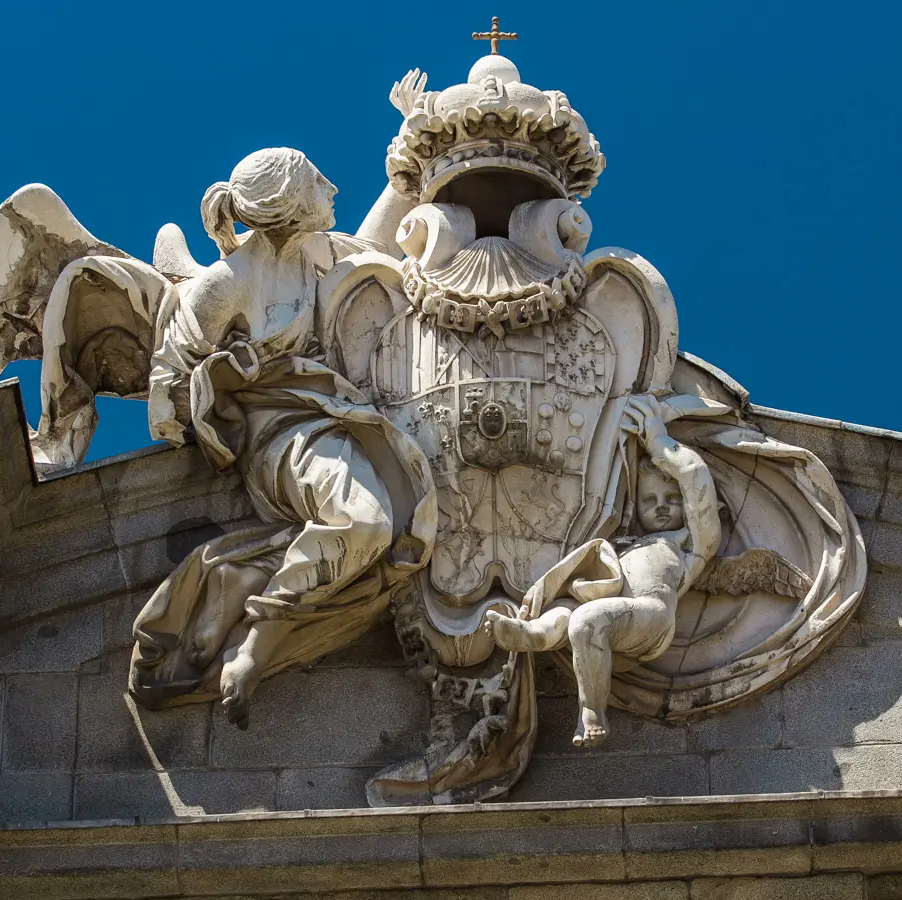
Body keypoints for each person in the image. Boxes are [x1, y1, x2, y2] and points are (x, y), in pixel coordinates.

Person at [131, 146, 436, 726]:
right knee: (367, 522)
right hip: (279, 433)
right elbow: (171, 373)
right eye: (320, 182)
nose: (333, 189)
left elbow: (373, 254)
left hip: (333, 417)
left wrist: (406, 165)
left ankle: (238, 581)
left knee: (392, 520)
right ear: (292, 205)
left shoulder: (315, 253)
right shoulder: (227, 282)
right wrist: (198, 417)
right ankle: (257, 642)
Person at [483, 396, 721, 747]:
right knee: (564, 612)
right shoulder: (625, 543)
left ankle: (591, 711)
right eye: (650, 500)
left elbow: (695, 477)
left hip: (650, 616)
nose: (661, 508)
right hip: (604, 605)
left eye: (671, 500)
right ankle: (533, 636)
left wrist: (659, 444)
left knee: (587, 619)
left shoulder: (691, 545)